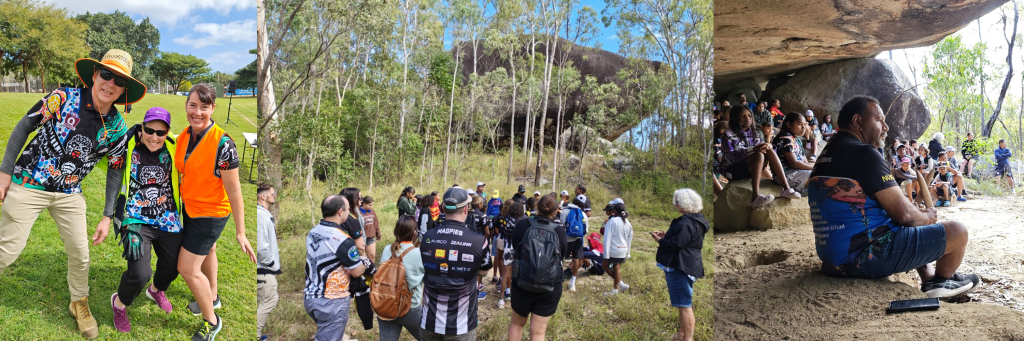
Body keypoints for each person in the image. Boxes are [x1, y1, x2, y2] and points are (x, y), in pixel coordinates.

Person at [0, 49, 144, 339]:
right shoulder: (62, 98)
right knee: (7, 251)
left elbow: (116, 170)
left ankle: (78, 301)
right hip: (29, 182)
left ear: (123, 89)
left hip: (69, 193)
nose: (110, 83)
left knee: (80, 254)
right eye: (106, 74)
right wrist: (4, 173)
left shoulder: (117, 128)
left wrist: (106, 216)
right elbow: (24, 126)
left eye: (118, 80)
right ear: (94, 75)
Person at [807, 96, 978, 300]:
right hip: (862, 257)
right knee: (957, 232)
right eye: (880, 119)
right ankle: (939, 282)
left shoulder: (829, 152)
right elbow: (904, 215)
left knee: (913, 217)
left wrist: (916, 215)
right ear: (857, 121)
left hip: (832, 259)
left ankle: (930, 276)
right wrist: (927, 217)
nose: (886, 127)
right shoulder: (864, 153)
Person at [174, 83, 257, 340]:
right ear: (186, 106)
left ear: (213, 108)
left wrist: (241, 232)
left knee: (187, 268)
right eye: (193, 105)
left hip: (210, 215)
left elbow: (234, 192)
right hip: (190, 208)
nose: (197, 112)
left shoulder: (224, 145)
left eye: (204, 107)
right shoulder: (185, 136)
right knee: (208, 251)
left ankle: (212, 320)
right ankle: (213, 296)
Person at [105, 108, 182, 333]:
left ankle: (156, 290)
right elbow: (105, 157)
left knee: (174, 266)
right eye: (149, 130)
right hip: (135, 218)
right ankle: (119, 304)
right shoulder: (127, 143)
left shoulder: (175, 146)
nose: (154, 137)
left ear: (168, 132)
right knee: (140, 274)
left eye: (160, 132)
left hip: (168, 218)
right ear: (142, 128)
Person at [418, 186, 488, 340]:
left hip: (429, 321)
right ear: (466, 209)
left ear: (443, 208)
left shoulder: (427, 238)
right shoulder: (479, 241)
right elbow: (484, 271)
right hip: (461, 325)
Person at [303, 195, 369, 341]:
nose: (349, 213)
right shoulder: (342, 239)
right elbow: (357, 271)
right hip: (332, 301)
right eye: (348, 210)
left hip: (311, 297)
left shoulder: (313, 232)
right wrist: (364, 263)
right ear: (340, 211)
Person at [507, 195, 568, 341]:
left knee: (517, 324)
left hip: (522, 282)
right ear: (555, 212)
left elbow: (516, 247)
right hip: (549, 285)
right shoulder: (559, 231)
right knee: (539, 333)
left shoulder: (523, 225)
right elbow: (563, 255)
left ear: (536, 207)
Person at [653, 189, 709, 341]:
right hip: (688, 263)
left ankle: (687, 338)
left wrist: (661, 241)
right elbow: (685, 240)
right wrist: (667, 237)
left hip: (680, 266)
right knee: (681, 303)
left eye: (677, 202)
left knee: (684, 306)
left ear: (684, 203)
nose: (675, 205)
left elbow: (677, 244)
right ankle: (681, 335)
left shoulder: (686, 222)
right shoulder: (697, 220)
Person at [719, 106, 802, 207]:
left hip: (751, 169)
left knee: (768, 150)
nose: (747, 118)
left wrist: (769, 145)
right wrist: (752, 150)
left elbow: (761, 147)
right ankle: (755, 197)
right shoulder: (727, 133)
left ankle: (787, 189)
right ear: (735, 118)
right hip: (733, 171)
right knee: (758, 154)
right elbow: (729, 157)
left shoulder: (754, 132)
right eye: (742, 116)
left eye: (749, 115)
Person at [377, 216, 425, 341]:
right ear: (415, 232)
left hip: (385, 304)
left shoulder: (388, 249)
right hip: (409, 306)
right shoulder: (419, 254)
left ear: (396, 231)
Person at [256, 183, 280, 340]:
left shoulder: (264, 214)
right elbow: (261, 246)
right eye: (273, 194)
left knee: (266, 297)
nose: (275, 196)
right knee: (270, 299)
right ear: (263, 196)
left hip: (263, 267)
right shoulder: (261, 216)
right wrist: (271, 264)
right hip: (263, 268)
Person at [772, 112, 815, 194]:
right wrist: (814, 169)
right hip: (786, 175)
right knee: (820, 177)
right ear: (789, 125)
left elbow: (805, 162)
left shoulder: (797, 140)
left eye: (804, 124)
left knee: (821, 174)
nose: (803, 127)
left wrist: (815, 167)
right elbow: (794, 163)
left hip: (797, 172)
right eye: (799, 124)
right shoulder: (785, 138)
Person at [496, 200, 525, 309]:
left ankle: (501, 299)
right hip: (520, 249)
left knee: (505, 274)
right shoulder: (523, 221)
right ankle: (517, 296)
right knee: (519, 273)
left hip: (508, 248)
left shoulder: (506, 219)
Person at [601, 199, 633, 295]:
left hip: (614, 249)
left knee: (605, 266)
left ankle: (616, 289)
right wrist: (628, 252)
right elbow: (629, 238)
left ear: (615, 211)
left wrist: (606, 254)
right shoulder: (627, 222)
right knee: (617, 268)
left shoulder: (612, 221)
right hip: (623, 249)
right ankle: (621, 285)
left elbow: (607, 238)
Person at [559, 195, 589, 292]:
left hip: (567, 238)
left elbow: (562, 226)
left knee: (560, 257)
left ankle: (558, 278)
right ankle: (573, 283)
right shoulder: (583, 214)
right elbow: (586, 230)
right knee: (576, 259)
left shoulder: (565, 211)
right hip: (579, 239)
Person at [339, 188, 367, 257]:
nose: (361, 200)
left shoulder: (355, 211)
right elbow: (360, 247)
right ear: (353, 199)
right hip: (353, 252)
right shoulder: (351, 219)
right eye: (359, 197)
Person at [359, 196, 380, 262]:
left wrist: (378, 234)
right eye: (369, 205)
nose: (371, 207)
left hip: (370, 238)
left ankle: (372, 270)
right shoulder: (358, 213)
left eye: (372, 205)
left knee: (372, 256)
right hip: (361, 238)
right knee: (362, 258)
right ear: (364, 203)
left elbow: (376, 223)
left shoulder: (372, 211)